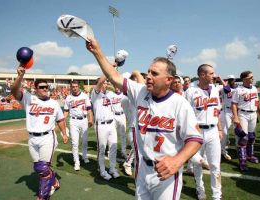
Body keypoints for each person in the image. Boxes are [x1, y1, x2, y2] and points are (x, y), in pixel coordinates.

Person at [86, 37, 203, 200]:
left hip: (166, 173)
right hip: (141, 169)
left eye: (154, 73)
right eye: (148, 72)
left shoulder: (179, 103)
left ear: (169, 80)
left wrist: (178, 161)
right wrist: (97, 51)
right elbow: (113, 76)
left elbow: (195, 139)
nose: (148, 76)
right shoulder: (140, 92)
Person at [11, 66, 68, 200]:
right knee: (38, 168)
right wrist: (20, 76)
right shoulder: (28, 99)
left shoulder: (54, 103)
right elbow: (14, 91)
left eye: (46, 87)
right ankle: (54, 181)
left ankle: (43, 196)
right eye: (42, 87)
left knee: (42, 167)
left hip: (47, 137)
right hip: (32, 138)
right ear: (35, 89)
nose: (45, 89)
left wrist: (64, 133)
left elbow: (60, 119)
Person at [186, 64, 222, 200]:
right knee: (197, 164)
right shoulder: (190, 91)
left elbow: (216, 110)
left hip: (212, 130)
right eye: (211, 73)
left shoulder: (214, 89)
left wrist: (219, 128)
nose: (215, 75)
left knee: (215, 164)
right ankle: (200, 190)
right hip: (197, 131)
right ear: (202, 75)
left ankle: (217, 195)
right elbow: (185, 115)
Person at [231, 71, 260, 171]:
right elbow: (234, 104)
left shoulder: (254, 88)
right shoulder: (238, 90)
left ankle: (250, 155)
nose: (253, 78)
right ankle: (242, 160)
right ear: (244, 79)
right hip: (243, 114)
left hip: (253, 113)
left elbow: (256, 102)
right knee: (243, 138)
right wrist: (235, 117)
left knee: (251, 136)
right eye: (251, 77)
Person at [91, 76, 120, 180]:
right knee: (101, 149)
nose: (106, 84)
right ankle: (102, 171)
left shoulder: (110, 94)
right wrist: (108, 70)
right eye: (104, 83)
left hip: (111, 124)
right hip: (101, 125)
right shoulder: (95, 94)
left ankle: (112, 168)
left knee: (113, 147)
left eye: (107, 83)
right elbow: (100, 83)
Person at [63, 81, 93, 171]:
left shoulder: (84, 96)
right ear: (70, 87)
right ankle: (77, 162)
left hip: (84, 120)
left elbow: (89, 109)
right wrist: (62, 119)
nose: (75, 88)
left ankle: (84, 156)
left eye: (76, 86)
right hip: (73, 121)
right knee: (74, 143)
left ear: (78, 87)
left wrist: (90, 119)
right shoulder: (68, 98)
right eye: (73, 86)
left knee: (84, 141)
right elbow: (66, 111)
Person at [220, 75, 237, 161]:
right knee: (225, 132)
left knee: (238, 131)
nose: (232, 81)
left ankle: (238, 147)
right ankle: (223, 150)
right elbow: (227, 89)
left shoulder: (239, 89)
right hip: (227, 111)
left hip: (237, 112)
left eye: (233, 80)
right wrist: (223, 82)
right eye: (230, 80)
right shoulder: (224, 89)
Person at [112, 86, 127, 159]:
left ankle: (123, 151)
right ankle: (111, 150)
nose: (117, 88)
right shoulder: (111, 95)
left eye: (117, 86)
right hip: (113, 116)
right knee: (112, 134)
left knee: (123, 134)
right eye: (115, 87)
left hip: (122, 115)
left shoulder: (124, 95)